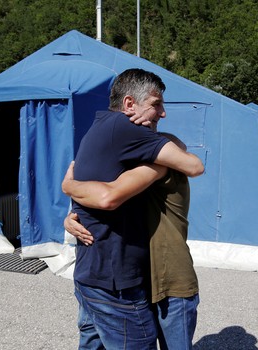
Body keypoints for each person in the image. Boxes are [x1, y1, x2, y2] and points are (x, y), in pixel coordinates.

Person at [67, 68, 203, 349]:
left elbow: (96, 184)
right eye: (156, 104)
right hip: (116, 283)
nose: (162, 112)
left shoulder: (103, 129)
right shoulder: (128, 131)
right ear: (130, 104)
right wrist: (68, 192)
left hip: (96, 276)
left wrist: (68, 190)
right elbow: (193, 165)